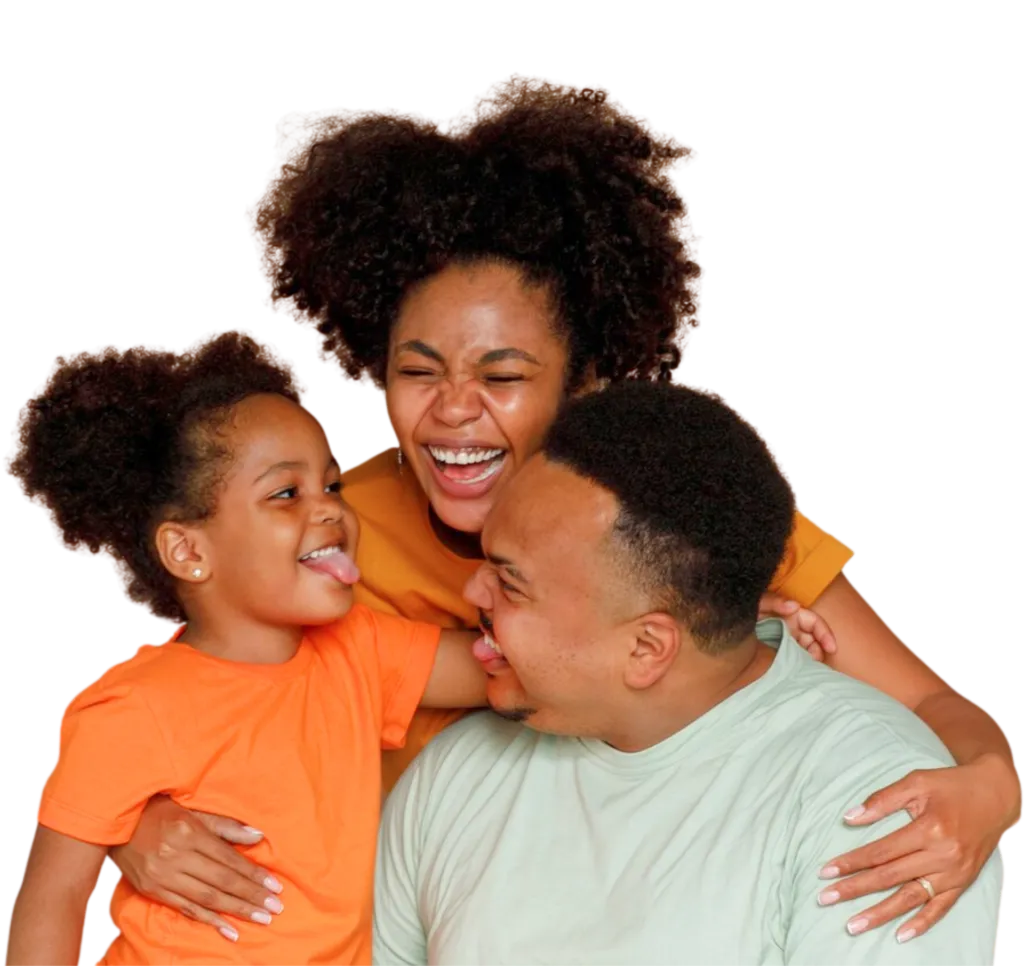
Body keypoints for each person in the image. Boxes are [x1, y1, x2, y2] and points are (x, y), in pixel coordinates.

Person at [107, 78, 1018, 943]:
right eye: (418, 372)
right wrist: (131, 825)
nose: (454, 411)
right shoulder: (330, 529)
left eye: (502, 376)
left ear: (582, 386)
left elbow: (927, 700)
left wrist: (988, 787)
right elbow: (179, 708)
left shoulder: (678, 510)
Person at [374, 380, 1005, 965]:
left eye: (510, 584)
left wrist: (996, 778)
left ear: (648, 649)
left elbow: (932, 705)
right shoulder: (454, 773)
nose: (472, 592)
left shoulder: (884, 810)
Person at [3, 330, 487, 965]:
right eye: (287, 494)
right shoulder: (131, 707)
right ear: (188, 551)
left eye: (332, 486)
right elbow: (54, 901)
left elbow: (508, 669)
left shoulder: (360, 649)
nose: (331, 512)